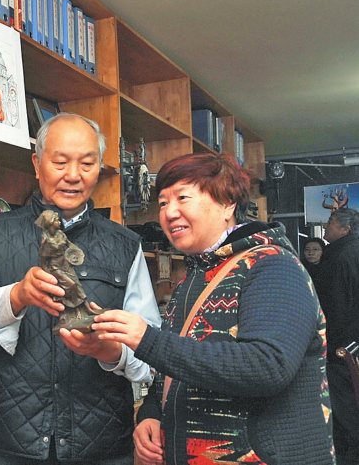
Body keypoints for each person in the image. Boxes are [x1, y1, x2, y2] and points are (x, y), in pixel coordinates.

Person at [92, 153, 334, 464]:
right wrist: (151, 414)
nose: (169, 212)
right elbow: (173, 369)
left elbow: (269, 366)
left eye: (183, 198)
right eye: (163, 202)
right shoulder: (194, 278)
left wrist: (147, 340)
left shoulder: (273, 266)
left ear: (227, 204)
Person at [0, 113, 161, 464]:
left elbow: (151, 345)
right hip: (12, 439)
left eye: (87, 164)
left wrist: (112, 352)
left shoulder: (125, 244)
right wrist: (16, 296)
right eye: (60, 162)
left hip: (101, 443)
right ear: (37, 164)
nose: (73, 175)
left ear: (99, 169)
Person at [313, 207, 359, 463]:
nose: (326, 226)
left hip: (341, 347)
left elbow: (337, 308)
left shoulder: (341, 257)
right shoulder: (350, 251)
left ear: (345, 229)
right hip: (353, 344)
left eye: (331, 221)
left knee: (344, 409)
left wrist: (327, 345)